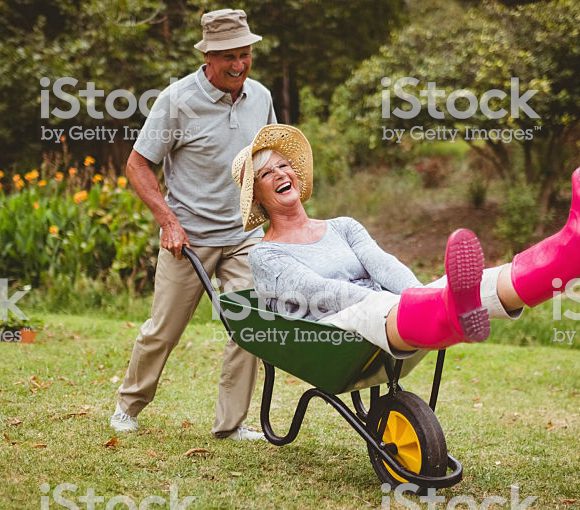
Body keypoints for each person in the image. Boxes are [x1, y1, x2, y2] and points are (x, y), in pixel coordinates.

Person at [231, 124, 579, 361]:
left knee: (475, 282)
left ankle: (566, 253)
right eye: (266, 173)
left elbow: (384, 264)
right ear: (257, 197)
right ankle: (438, 312)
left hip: (390, 315)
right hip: (330, 335)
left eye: (283, 165)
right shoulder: (266, 253)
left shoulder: (343, 226)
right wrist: (400, 302)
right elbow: (320, 293)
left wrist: (419, 293)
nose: (280, 174)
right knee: (381, 307)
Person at [110, 9, 276, 440]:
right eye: (229, 58)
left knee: (249, 326)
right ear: (208, 57)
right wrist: (168, 221)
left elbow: (270, 160)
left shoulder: (260, 97)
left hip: (243, 235)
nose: (239, 65)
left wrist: (277, 219)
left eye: (245, 54)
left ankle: (230, 424)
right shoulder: (178, 100)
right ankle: (128, 405)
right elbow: (138, 164)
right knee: (162, 330)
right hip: (189, 238)